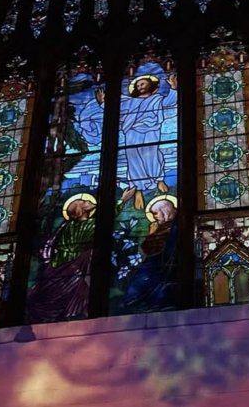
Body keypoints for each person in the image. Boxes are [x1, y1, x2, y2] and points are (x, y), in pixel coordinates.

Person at [79, 63, 177, 208]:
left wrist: (174, 88)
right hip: (132, 132)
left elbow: (170, 102)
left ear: (151, 85)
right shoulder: (129, 102)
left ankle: (158, 179)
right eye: (138, 85)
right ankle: (137, 189)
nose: (140, 86)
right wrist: (102, 103)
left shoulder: (156, 99)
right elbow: (117, 111)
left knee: (153, 155)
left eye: (143, 83)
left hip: (151, 130)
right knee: (134, 160)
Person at [26, 193, 96, 322]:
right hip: (70, 264)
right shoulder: (89, 225)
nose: (88, 201)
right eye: (83, 202)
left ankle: (72, 312)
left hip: (62, 263)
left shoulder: (65, 226)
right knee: (70, 285)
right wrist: (122, 201)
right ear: (79, 210)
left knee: (77, 287)